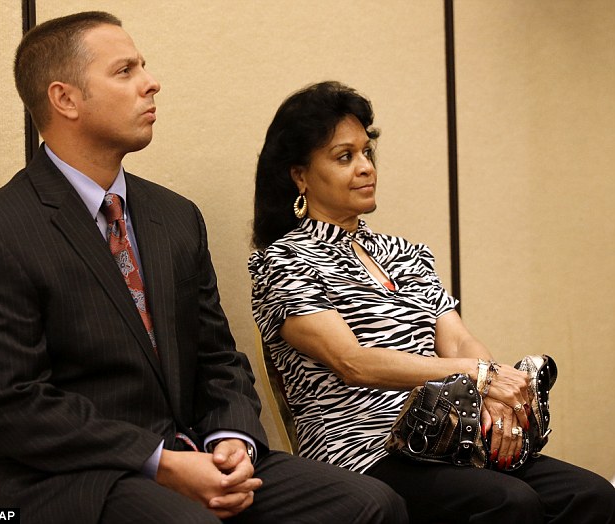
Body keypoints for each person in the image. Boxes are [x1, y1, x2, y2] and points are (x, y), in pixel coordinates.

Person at [0, 14, 409, 524]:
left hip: (197, 450)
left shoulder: (175, 217)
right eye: (124, 71)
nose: (150, 81)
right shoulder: (0, 229)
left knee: (370, 504)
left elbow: (220, 358)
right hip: (75, 478)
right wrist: (160, 462)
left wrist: (233, 439)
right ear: (65, 99)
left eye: (144, 66)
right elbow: (13, 404)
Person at [249, 80, 615, 523]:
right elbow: (353, 362)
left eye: (367, 152)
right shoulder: (283, 261)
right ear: (299, 175)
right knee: (509, 502)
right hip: (360, 451)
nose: (366, 167)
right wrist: (482, 376)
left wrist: (495, 402)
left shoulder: (404, 253)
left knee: (591, 494)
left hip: (448, 436)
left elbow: (458, 342)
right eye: (345, 156)